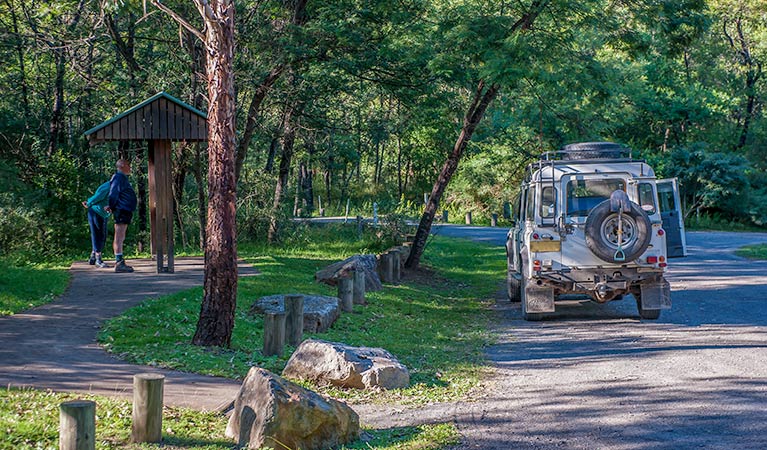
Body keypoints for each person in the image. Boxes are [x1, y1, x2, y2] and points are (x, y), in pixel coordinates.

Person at [105, 158, 137, 273]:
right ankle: (119, 262)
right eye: (128, 165)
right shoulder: (118, 177)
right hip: (121, 210)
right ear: (122, 165)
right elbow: (113, 193)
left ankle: (120, 261)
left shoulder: (122, 178)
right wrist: (111, 206)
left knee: (121, 236)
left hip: (125, 210)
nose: (130, 167)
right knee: (119, 236)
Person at [82, 181, 111, 268]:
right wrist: (88, 203)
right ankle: (98, 259)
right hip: (96, 212)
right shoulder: (107, 186)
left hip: (104, 213)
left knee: (103, 235)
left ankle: (93, 256)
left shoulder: (118, 188)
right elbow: (97, 196)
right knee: (97, 234)